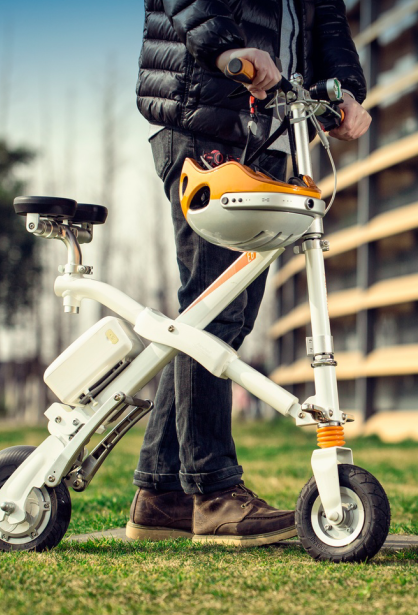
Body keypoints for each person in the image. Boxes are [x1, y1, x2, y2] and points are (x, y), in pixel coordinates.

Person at [128, 0, 371, 546]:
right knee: (212, 309)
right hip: (208, 117)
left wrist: (347, 91)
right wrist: (225, 47)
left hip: (272, 133)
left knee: (221, 316)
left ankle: (163, 495)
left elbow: (326, 24)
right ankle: (212, 493)